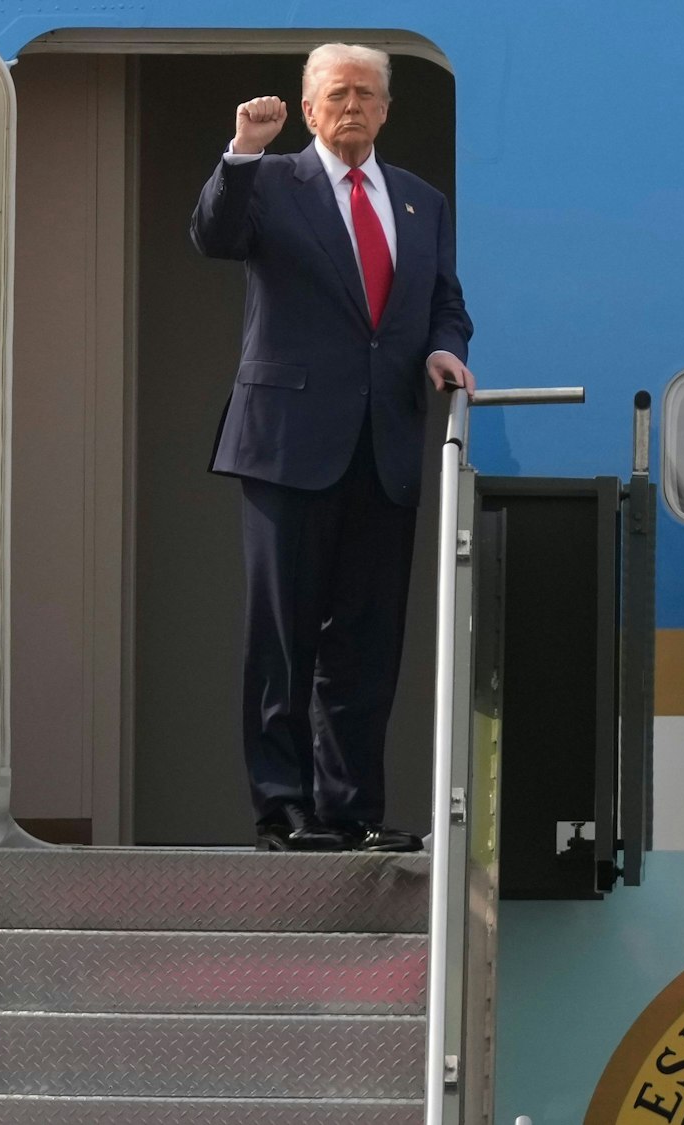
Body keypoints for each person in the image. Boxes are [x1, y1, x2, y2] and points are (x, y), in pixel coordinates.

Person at [191, 43, 476, 852]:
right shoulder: (272, 181)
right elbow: (213, 236)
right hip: (286, 444)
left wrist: (443, 348)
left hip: (385, 443)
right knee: (283, 640)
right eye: (336, 94)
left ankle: (350, 812)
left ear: (386, 109)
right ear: (309, 109)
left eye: (366, 94)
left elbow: (445, 303)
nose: (352, 106)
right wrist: (243, 149)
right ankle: (282, 807)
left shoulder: (421, 202)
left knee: (366, 641)